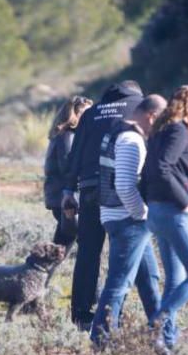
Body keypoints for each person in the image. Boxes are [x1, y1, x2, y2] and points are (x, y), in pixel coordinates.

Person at [61, 80, 157, 331]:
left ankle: (81, 314)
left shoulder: (92, 112)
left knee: (88, 251)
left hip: (91, 187)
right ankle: (118, 314)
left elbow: (76, 153)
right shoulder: (141, 106)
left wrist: (68, 190)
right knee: (126, 252)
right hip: (123, 187)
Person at [89, 94, 167, 345]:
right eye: (162, 121)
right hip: (128, 220)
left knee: (149, 280)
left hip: (121, 218)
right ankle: (100, 339)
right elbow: (124, 186)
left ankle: (161, 335)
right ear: (151, 116)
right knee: (120, 282)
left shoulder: (116, 133)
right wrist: (142, 215)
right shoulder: (132, 140)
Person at [142, 85, 188, 355]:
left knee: (175, 280)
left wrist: (149, 199)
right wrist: (184, 199)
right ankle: (156, 324)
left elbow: (150, 169)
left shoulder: (159, 131)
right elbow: (161, 168)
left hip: (157, 212)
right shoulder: (178, 130)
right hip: (171, 212)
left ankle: (166, 341)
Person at [43, 95, 92, 248]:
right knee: (64, 243)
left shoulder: (64, 134)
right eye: (87, 113)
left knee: (62, 243)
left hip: (61, 196)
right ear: (75, 115)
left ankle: (41, 268)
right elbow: (68, 168)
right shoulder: (68, 136)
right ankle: (39, 268)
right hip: (65, 197)